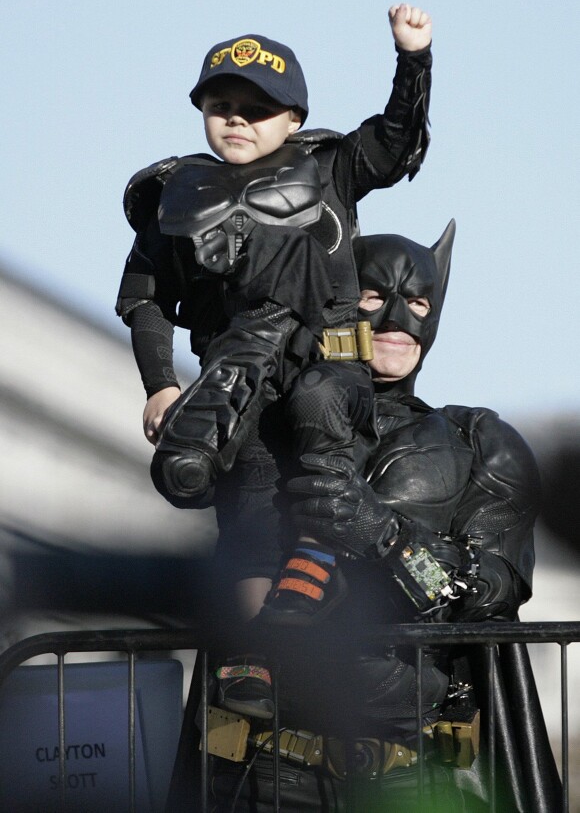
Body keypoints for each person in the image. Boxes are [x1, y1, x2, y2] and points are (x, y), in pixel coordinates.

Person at [205, 223, 554, 812]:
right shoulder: (268, 429)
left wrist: (387, 537)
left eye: (418, 302)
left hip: (413, 771)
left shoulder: (480, 440)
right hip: (264, 767)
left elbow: (486, 595)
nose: (397, 317)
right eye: (373, 296)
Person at [115, 6, 432, 522]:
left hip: (329, 370)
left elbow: (396, 142)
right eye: (222, 105)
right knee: (251, 532)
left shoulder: (330, 169)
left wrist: (413, 58)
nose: (237, 118)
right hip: (240, 399)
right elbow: (146, 300)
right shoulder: (175, 197)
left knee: (316, 415)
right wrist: (161, 386)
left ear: (294, 120)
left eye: (258, 108)